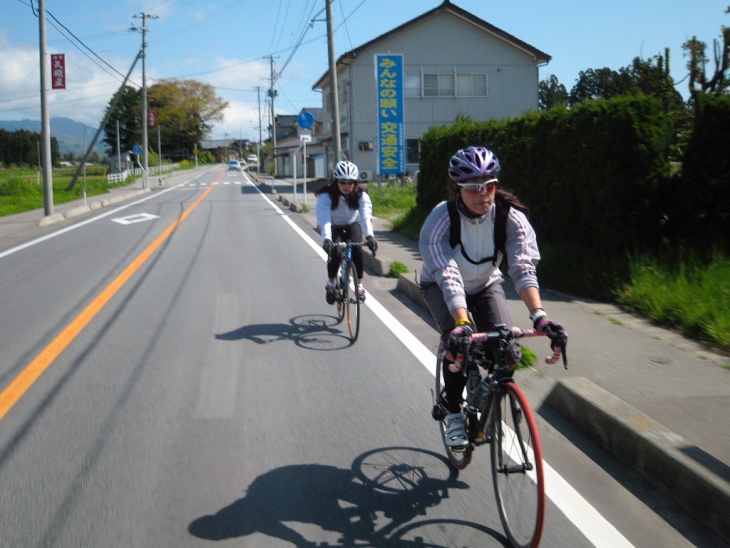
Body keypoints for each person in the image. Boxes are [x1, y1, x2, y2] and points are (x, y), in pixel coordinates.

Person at [419, 146, 566, 449]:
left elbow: (523, 269)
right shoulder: (440, 219)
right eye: (473, 187)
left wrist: (539, 316)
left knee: (508, 350)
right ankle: (455, 412)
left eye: (489, 185)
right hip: (439, 285)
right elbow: (447, 274)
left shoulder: (511, 219)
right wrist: (461, 321)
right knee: (456, 343)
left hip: (486, 284)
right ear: (458, 189)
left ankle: (486, 396)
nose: (482, 193)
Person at [315, 160, 378, 304]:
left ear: (355, 183)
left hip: (352, 224)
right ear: (336, 181)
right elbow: (324, 220)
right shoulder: (326, 196)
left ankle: (360, 286)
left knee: (357, 250)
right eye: (342, 182)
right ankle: (331, 284)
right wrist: (327, 240)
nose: (346, 186)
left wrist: (370, 237)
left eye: (350, 182)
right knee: (335, 253)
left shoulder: (361, 196)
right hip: (333, 225)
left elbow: (365, 217)